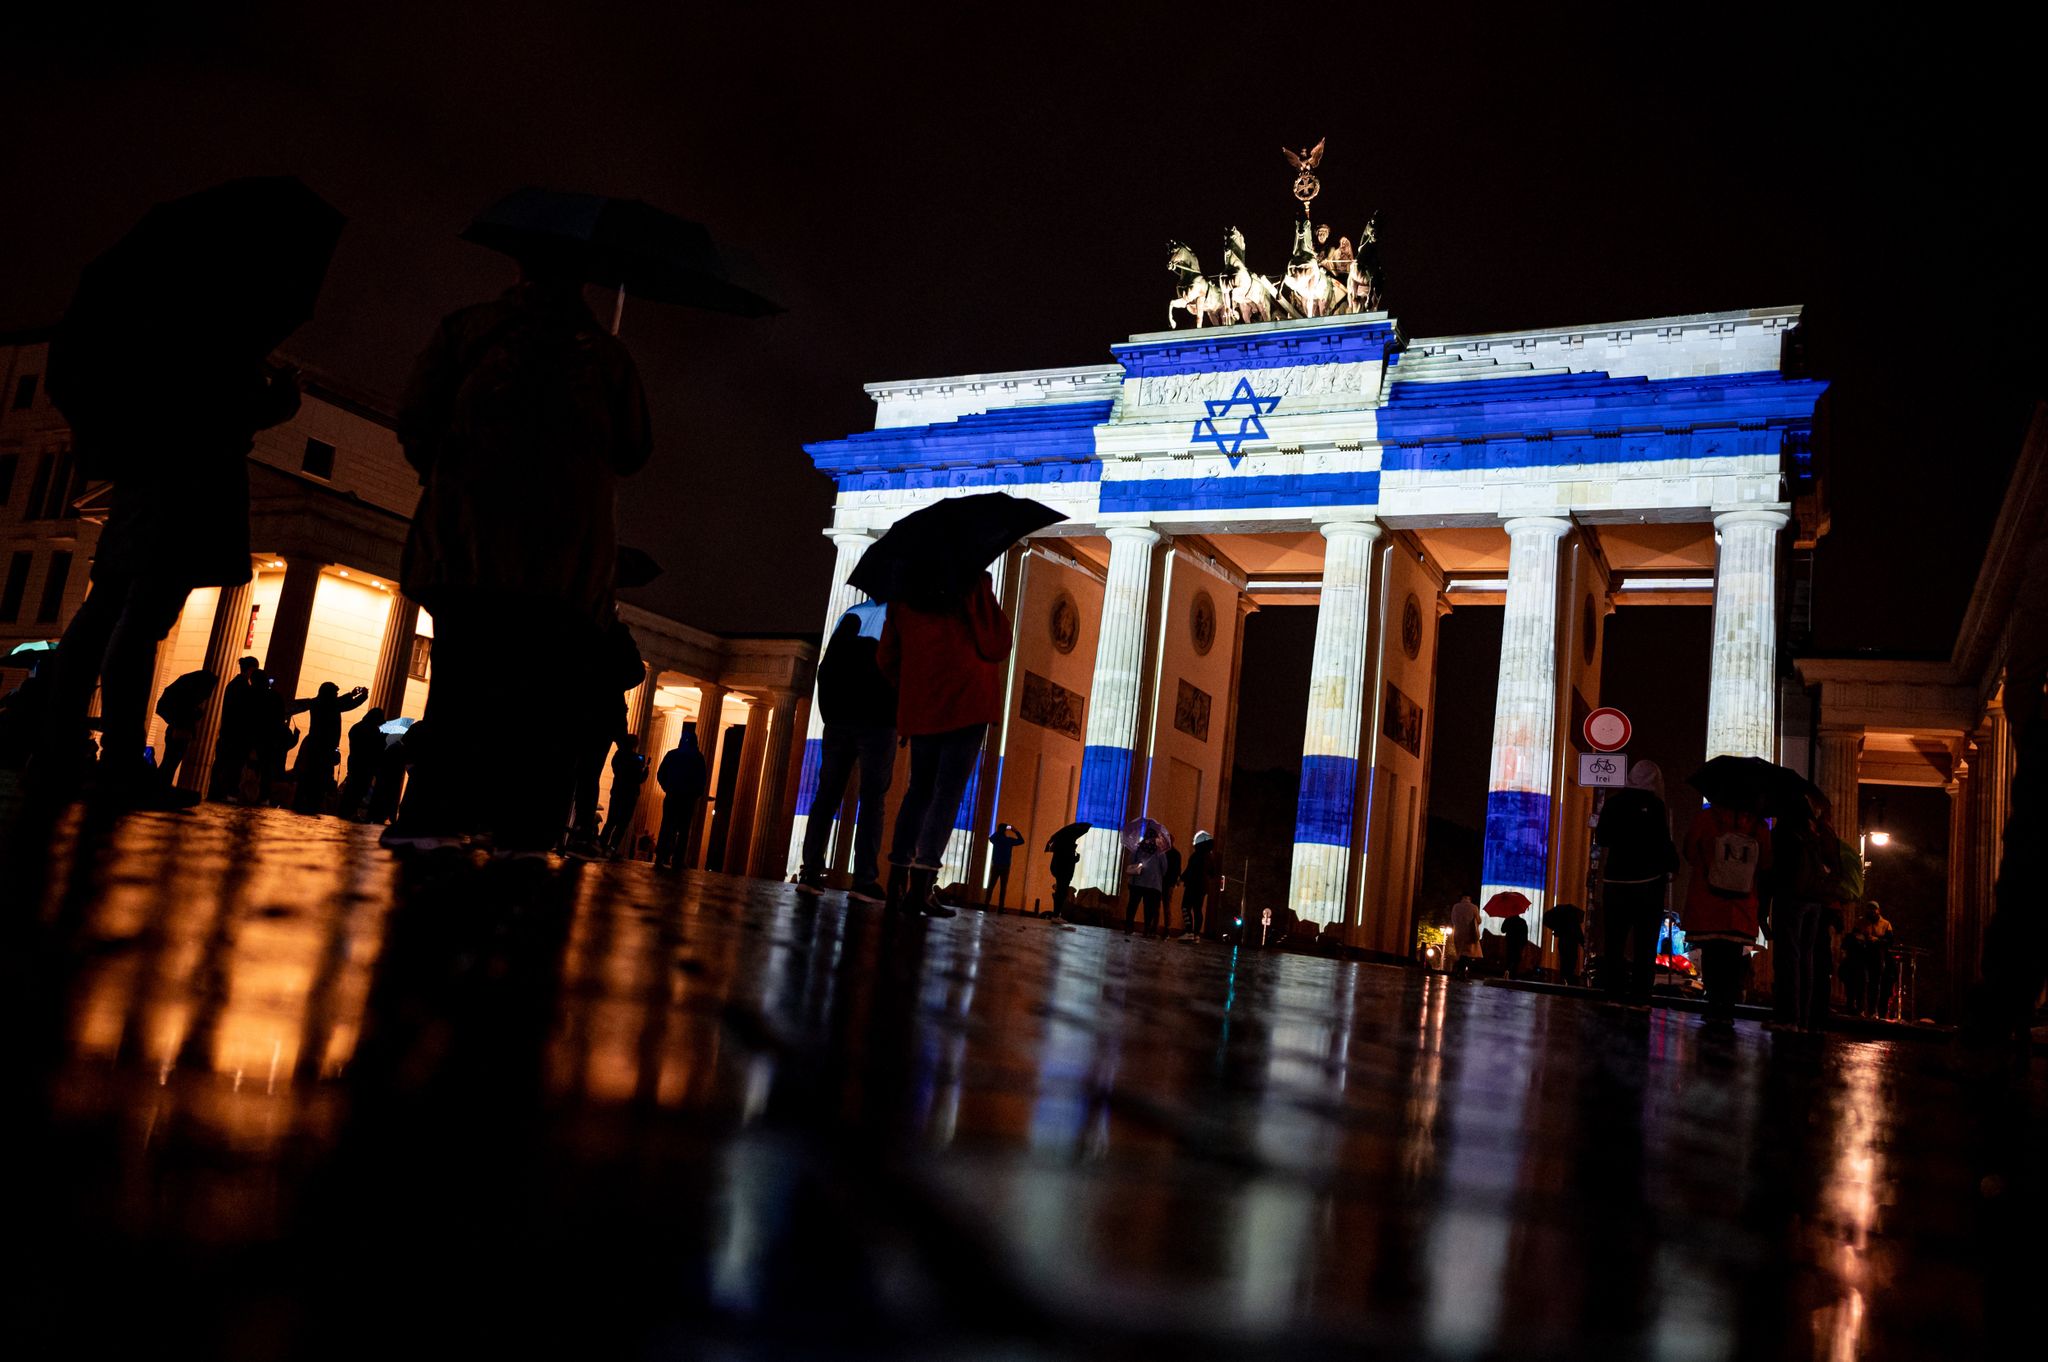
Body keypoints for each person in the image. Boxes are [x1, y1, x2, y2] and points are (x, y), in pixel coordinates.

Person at [386, 246, 652, 854]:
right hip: (561, 558)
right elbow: (635, 448)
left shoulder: (469, 329)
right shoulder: (606, 355)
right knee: (544, 690)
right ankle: (525, 825)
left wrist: (447, 474)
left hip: (469, 537)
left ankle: (434, 812)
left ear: (518, 267)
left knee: (459, 676)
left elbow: (414, 416)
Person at [37, 349, 301, 807]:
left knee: (104, 613)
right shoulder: (209, 331)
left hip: (142, 480)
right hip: (190, 487)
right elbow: (236, 406)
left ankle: (56, 753)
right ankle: (116, 762)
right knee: (140, 625)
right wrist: (281, 395)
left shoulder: (146, 323)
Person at [878, 573, 1012, 917]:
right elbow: (996, 644)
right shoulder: (972, 584)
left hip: (923, 703)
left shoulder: (902, 593)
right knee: (947, 793)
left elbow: (886, 657)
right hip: (967, 702)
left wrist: (912, 685)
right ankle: (921, 889)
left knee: (918, 790)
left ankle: (895, 883)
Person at [795, 601, 897, 900]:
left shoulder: (850, 615)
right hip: (878, 722)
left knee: (825, 796)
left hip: (840, 721)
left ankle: (810, 871)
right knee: (873, 800)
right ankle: (864, 879)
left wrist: (829, 713)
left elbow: (825, 671)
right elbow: (903, 671)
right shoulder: (900, 620)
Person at [1682, 794, 1772, 1023]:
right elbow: (1766, 863)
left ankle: (1713, 1003)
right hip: (1741, 904)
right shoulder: (1758, 825)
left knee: (1712, 955)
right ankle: (1728, 1007)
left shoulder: (1705, 819)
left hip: (1708, 900)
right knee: (1734, 959)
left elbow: (1690, 852)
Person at [1596, 761, 1678, 1005]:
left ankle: (1613, 994)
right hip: (1648, 883)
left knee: (1615, 941)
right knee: (1645, 943)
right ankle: (1641, 997)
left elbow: (1602, 838)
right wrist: (1671, 865)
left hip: (1616, 881)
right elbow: (1663, 841)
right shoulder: (1655, 806)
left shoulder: (1613, 802)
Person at [289, 682, 369, 814]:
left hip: (314, 745)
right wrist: (361, 695)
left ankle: (300, 804)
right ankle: (312, 806)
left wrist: (352, 694)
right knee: (319, 780)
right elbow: (346, 704)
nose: (336, 695)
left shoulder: (317, 703)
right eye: (335, 693)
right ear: (330, 694)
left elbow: (340, 702)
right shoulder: (331, 705)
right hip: (324, 748)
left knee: (306, 779)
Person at [207, 657, 265, 801]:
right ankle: (225, 795)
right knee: (231, 770)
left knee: (221, 767)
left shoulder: (233, 685)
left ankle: (216, 794)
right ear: (251, 669)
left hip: (228, 735)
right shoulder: (243, 687)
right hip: (236, 738)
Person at [654, 727, 710, 872]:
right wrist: (695, 794)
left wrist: (668, 788)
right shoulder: (698, 758)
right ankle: (677, 859)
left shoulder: (672, 755)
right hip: (687, 799)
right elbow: (702, 780)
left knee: (666, 826)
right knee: (683, 830)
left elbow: (661, 773)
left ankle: (661, 856)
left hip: (673, 796)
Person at [151, 669, 217, 790]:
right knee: (170, 762)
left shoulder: (183, 693)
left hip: (178, 728)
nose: (207, 697)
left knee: (170, 762)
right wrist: (187, 717)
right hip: (180, 729)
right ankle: (160, 788)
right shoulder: (186, 701)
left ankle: (160, 787)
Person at [601, 733, 648, 855]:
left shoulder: (619, 755)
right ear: (635, 745)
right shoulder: (636, 760)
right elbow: (639, 778)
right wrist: (645, 770)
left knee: (611, 820)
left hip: (618, 791)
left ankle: (602, 844)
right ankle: (612, 847)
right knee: (622, 824)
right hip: (630, 795)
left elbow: (615, 768)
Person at [339, 708, 388, 819]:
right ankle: (349, 812)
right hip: (365, 766)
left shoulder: (357, 727)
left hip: (356, 763)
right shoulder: (371, 730)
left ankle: (347, 811)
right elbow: (374, 749)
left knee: (354, 789)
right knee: (358, 790)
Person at [1179, 831, 1220, 940]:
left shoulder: (1196, 855)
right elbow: (1213, 873)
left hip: (1192, 885)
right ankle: (1197, 934)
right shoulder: (1210, 857)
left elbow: (1190, 870)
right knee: (1198, 909)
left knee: (1185, 907)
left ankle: (1189, 931)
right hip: (1203, 887)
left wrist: (1181, 879)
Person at [1124, 835, 1167, 935]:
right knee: (1149, 909)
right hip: (1153, 885)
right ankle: (1147, 929)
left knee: (1132, 906)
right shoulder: (1160, 852)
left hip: (1137, 882)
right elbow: (1164, 868)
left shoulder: (1139, 849)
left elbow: (1131, 860)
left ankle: (1129, 927)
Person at [987, 822, 1025, 911]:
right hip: (1005, 867)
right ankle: (1001, 907)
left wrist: (998, 831)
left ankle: (986, 904)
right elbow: (1021, 841)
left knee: (991, 886)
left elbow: (991, 838)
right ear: (1005, 830)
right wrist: (1015, 831)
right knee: (1003, 888)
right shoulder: (1009, 841)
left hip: (996, 865)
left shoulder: (996, 839)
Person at [1548, 901, 1586, 985]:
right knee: (1571, 963)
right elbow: (1579, 935)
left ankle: (1564, 979)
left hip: (1563, 945)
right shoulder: (1574, 923)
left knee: (1564, 962)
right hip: (1571, 946)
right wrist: (1584, 944)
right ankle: (1569, 979)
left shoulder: (1562, 923)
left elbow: (1557, 933)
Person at [1048, 829, 1081, 922]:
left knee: (1060, 893)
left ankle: (1056, 914)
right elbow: (1067, 861)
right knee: (1061, 894)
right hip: (1064, 873)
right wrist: (1076, 858)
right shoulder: (1067, 846)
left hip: (1061, 872)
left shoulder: (1060, 845)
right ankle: (1056, 915)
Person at [1450, 894, 1483, 976]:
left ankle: (1458, 970)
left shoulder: (1456, 906)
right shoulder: (1474, 907)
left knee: (1460, 952)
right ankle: (1462, 971)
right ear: (1470, 899)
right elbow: (1478, 920)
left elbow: (1453, 919)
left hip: (1458, 932)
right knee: (1467, 953)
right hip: (1469, 933)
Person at [1502, 911, 1530, 978]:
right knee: (1516, 961)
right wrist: (1523, 945)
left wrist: (1506, 920)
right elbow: (1525, 935)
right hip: (1519, 944)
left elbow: (1502, 930)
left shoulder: (1508, 920)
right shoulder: (1522, 921)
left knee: (1508, 960)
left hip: (1510, 943)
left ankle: (1506, 973)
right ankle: (1513, 976)